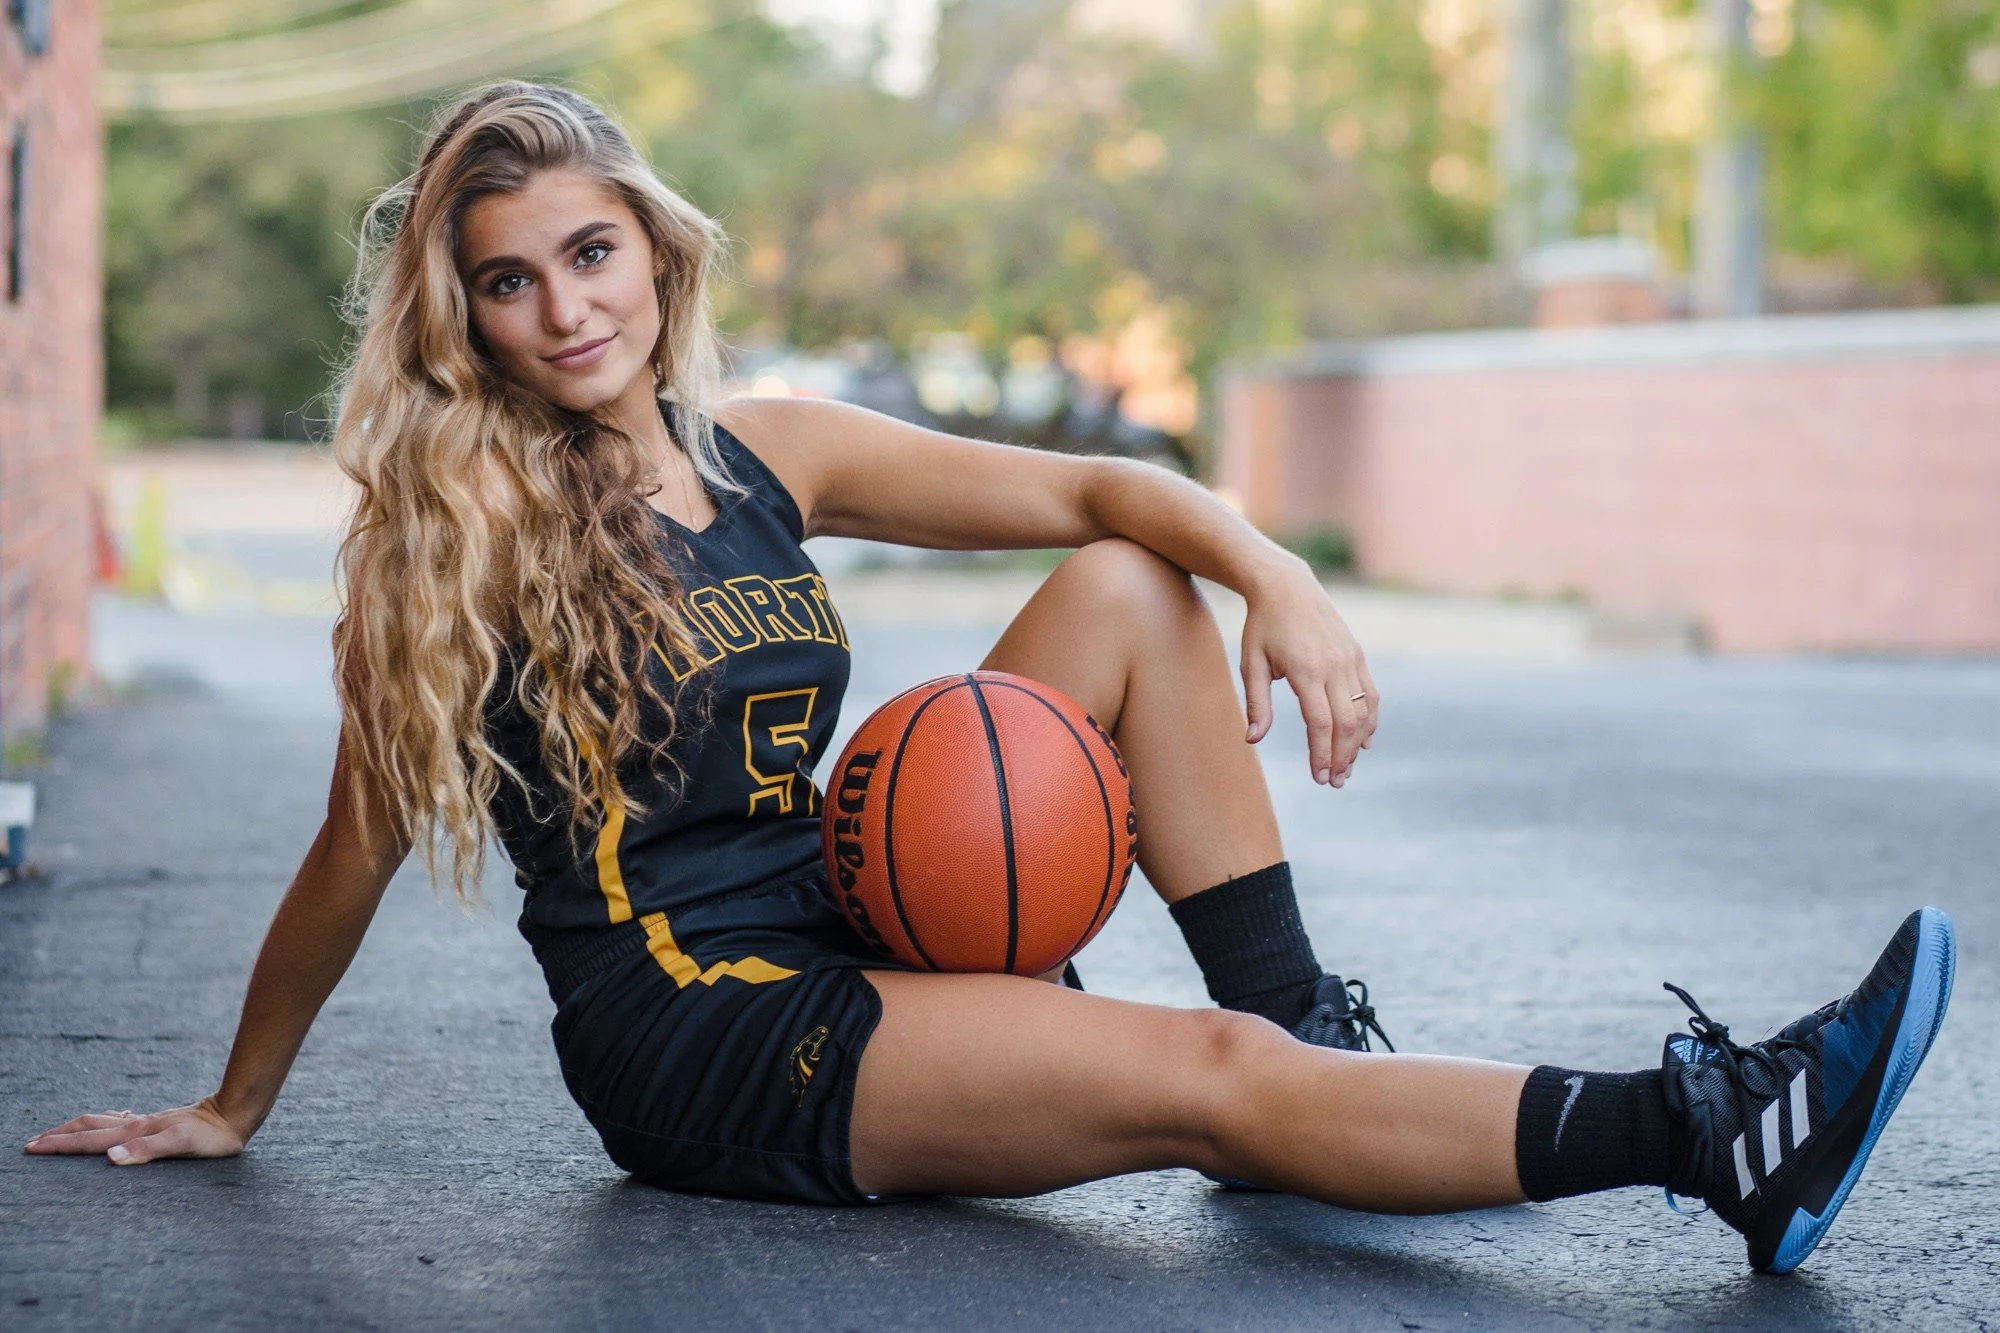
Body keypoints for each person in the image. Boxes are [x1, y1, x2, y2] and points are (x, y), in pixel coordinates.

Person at [26, 82, 1955, 1277]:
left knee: (1131, 582)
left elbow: (1105, 489)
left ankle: (1314, 1056)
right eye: (511, 281)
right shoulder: (447, 540)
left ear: (653, 249)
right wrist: (231, 1102)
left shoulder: (765, 443)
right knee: (1207, 1087)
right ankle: (1712, 1137)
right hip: (706, 1020)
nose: (565, 310)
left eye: (590, 253)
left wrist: (1279, 576)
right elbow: (349, 850)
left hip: (859, 906)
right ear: (464, 311)